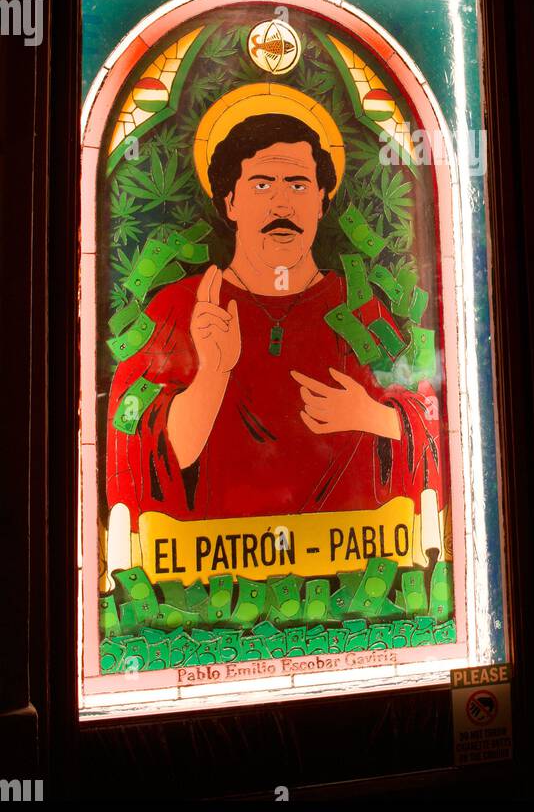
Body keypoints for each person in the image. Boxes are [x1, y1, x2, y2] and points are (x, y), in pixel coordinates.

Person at [106, 105, 444, 542]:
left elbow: (430, 420)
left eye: (299, 185)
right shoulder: (179, 310)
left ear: (322, 202)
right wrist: (212, 375)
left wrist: (371, 415)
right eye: (262, 185)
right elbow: (136, 453)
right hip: (215, 570)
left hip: (348, 559)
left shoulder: (358, 307)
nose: (282, 203)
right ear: (230, 200)